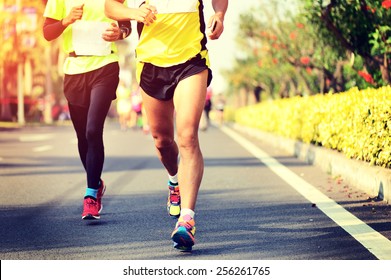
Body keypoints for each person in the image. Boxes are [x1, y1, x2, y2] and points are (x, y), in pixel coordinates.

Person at [105, 0, 228, 251]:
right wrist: (133, 13)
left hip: (191, 61)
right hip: (151, 65)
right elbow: (110, 6)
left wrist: (219, 14)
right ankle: (174, 180)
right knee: (162, 141)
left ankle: (187, 219)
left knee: (187, 137)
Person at [42, 0, 144, 220]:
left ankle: (90, 197)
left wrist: (119, 33)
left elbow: (126, 24)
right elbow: (47, 33)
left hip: (105, 66)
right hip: (75, 68)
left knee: (92, 129)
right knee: (82, 136)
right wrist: (66, 20)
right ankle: (96, 183)